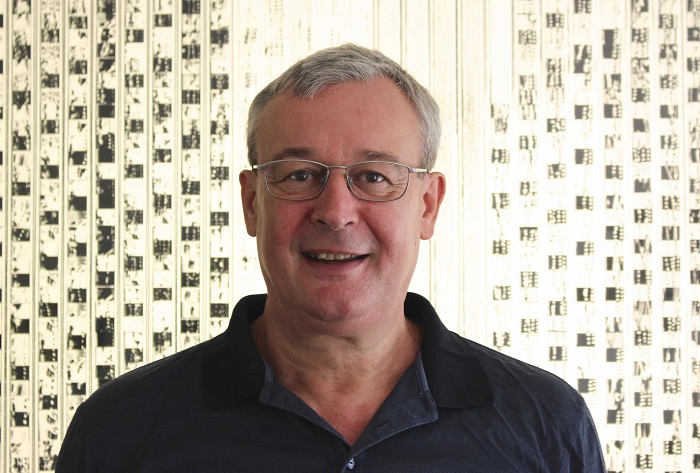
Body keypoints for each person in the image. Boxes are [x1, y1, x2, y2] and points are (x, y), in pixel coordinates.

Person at [56, 43, 605, 472]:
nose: (336, 212)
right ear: (252, 203)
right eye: (299, 175)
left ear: (427, 205)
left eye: (374, 177)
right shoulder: (120, 430)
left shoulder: (545, 423)